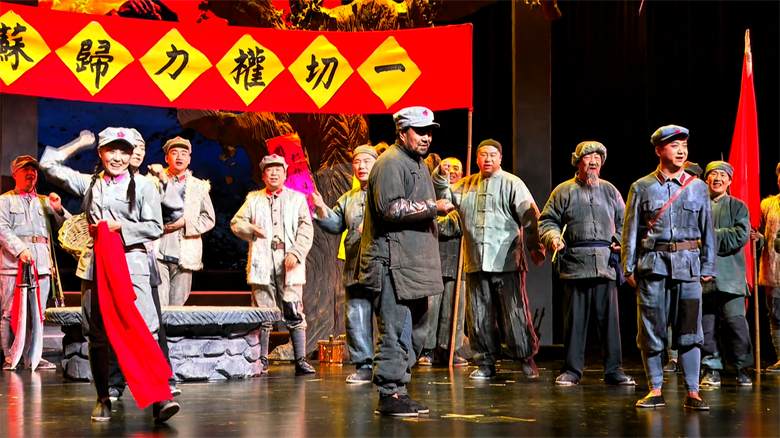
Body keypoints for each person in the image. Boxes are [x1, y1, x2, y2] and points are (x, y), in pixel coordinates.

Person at [40, 128, 179, 423]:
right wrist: (79, 143)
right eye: (110, 150)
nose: (117, 157)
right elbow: (48, 165)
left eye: (123, 151)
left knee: (144, 329)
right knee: (96, 333)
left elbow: (155, 226)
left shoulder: (144, 186)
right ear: (101, 153)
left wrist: (121, 228)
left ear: (131, 155)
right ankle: (103, 397)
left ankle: (160, 396)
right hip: (96, 264)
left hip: (132, 264)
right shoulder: (90, 184)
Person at [356, 106, 452, 416]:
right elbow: (390, 209)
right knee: (396, 329)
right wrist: (432, 207)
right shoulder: (390, 163)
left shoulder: (418, 163)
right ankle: (389, 394)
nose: (427, 137)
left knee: (417, 331)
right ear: (401, 132)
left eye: (429, 132)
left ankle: (400, 388)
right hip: (392, 263)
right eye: (420, 131)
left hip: (414, 264)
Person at [433, 139, 545, 380]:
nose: (487, 159)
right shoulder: (466, 185)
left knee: (514, 314)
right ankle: (485, 362)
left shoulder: (512, 183)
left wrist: (535, 246)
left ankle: (526, 358)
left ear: (500, 158)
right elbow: (445, 197)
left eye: (492, 155)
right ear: (476, 159)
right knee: (479, 316)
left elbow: (530, 216)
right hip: (476, 262)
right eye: (483, 155)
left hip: (506, 262)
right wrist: (441, 175)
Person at [622, 125, 715, 411]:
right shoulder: (641, 187)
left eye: (684, 145)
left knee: (690, 332)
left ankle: (693, 392)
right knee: (651, 331)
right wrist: (628, 268)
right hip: (653, 268)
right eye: (674, 145)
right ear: (659, 150)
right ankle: (655, 390)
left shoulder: (698, 187)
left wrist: (708, 264)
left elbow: (708, 230)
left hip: (689, 268)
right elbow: (630, 231)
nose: (681, 151)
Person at [538, 141, 635, 386]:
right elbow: (547, 221)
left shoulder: (611, 191)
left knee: (610, 324)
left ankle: (614, 370)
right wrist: (553, 238)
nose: (593, 162)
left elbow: (625, 222)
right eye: (588, 157)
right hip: (575, 265)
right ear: (578, 162)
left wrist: (619, 241)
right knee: (575, 323)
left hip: (605, 264)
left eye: (597, 158)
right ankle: (572, 370)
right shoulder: (564, 190)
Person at [107, 137, 185, 400]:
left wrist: (163, 181)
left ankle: (164, 379)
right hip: (116, 259)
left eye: (141, 149)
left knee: (153, 323)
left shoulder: (148, 183)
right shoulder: (109, 185)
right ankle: (115, 382)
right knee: (117, 321)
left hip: (145, 260)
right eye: (133, 148)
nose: (138, 153)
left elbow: (175, 211)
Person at [231, 154, 315, 376]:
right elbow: (236, 222)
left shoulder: (297, 199)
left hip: (289, 262)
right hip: (263, 261)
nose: (274, 173)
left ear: (285, 174)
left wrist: (297, 252)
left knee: (294, 310)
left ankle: (300, 359)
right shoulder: (253, 199)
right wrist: (251, 229)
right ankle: (261, 359)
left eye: (278, 169)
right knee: (263, 312)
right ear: (263, 175)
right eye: (269, 170)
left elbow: (306, 228)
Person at [311, 145, 378, 383]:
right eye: (357, 162)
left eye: (366, 161)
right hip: (355, 265)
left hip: (383, 265)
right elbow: (335, 224)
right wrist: (321, 207)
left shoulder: (385, 193)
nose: (361, 166)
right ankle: (364, 365)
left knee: (388, 317)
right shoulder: (348, 198)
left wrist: (372, 225)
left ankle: (391, 365)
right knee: (356, 316)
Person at [0, 156, 69, 371]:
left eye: (33, 170)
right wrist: (20, 249)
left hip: (41, 264)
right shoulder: (5, 200)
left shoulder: (44, 200)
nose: (31, 173)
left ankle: (34, 356)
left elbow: (67, 227)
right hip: (13, 264)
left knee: (37, 312)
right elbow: (2, 228)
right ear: (15, 174)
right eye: (25, 170)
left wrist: (59, 209)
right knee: (9, 312)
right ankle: (10, 356)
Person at [698, 161, 753, 387]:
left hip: (731, 276)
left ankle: (741, 367)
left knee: (736, 324)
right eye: (713, 174)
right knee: (706, 326)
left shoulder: (738, 206)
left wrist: (707, 237)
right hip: (702, 276)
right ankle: (711, 368)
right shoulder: (697, 205)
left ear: (730, 181)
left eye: (723, 175)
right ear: (706, 179)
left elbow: (740, 236)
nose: (717, 178)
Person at [155, 136, 215, 307]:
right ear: (167, 158)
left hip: (185, 252)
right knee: (159, 303)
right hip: (158, 251)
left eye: (184, 153)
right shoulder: (153, 182)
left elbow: (209, 218)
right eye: (174, 153)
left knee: (178, 306)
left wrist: (185, 223)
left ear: (189, 159)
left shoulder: (199, 186)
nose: (179, 157)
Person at [419, 156, 467, 367]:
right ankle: (427, 350)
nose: (452, 171)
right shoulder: (434, 194)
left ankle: (450, 350)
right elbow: (440, 187)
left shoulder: (465, 194)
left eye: (456, 168)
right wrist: (440, 174)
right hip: (434, 259)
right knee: (431, 308)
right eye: (449, 168)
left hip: (458, 261)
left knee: (453, 309)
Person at [756, 162, 780, 372]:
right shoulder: (767, 205)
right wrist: (757, 237)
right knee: (776, 315)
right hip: (773, 269)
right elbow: (763, 234)